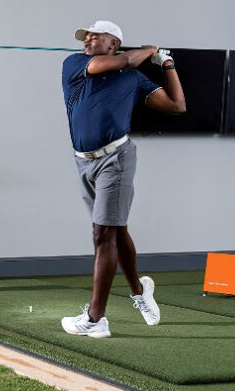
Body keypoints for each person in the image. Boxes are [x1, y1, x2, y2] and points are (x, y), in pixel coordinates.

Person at [59, 20, 186, 339]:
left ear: (113, 42)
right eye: (85, 37)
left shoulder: (132, 78)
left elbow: (176, 106)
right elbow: (128, 59)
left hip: (116, 158)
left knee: (103, 234)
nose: (86, 40)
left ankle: (94, 318)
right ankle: (140, 292)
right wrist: (151, 50)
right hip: (82, 162)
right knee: (114, 231)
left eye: (94, 36)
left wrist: (167, 65)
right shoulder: (75, 64)